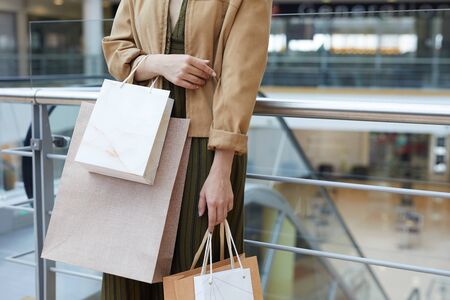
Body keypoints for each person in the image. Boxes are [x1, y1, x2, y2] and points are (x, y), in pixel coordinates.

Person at [101, 0, 272, 298]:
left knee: (196, 277)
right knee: (127, 267)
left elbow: (240, 77)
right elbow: (117, 48)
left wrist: (222, 169)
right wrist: (158, 63)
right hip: (140, 140)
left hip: (205, 151)